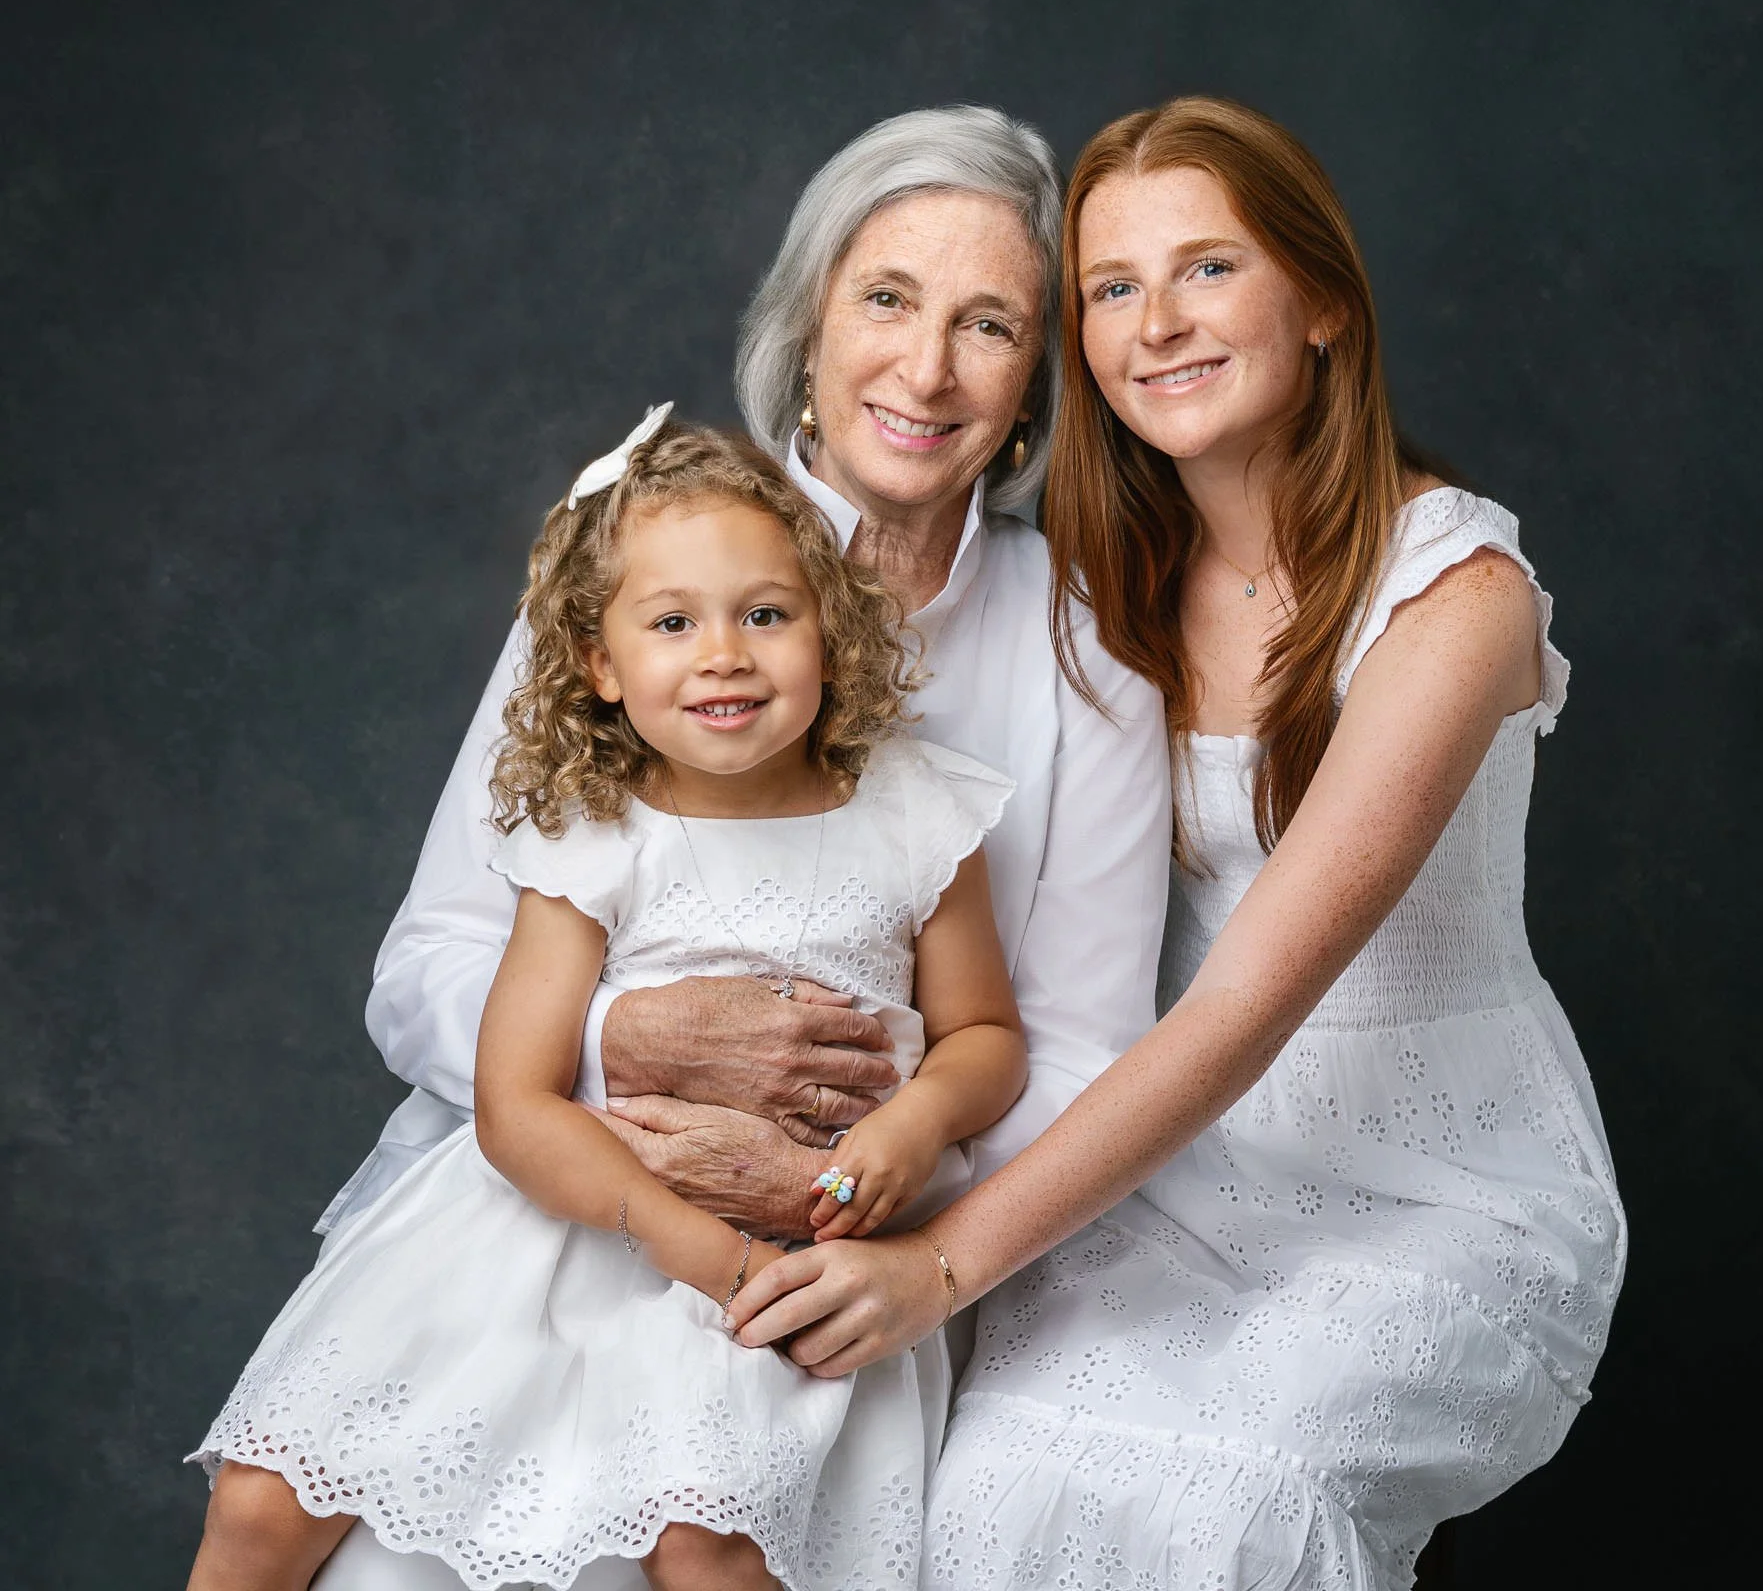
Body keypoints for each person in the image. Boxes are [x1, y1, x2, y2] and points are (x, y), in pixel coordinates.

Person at [730, 97, 1629, 1589]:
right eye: (1111, 289)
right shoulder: (1095, 585)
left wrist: (942, 1262)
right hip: (1166, 1165)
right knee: (982, 1486)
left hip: (1431, 1183)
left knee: (1225, 1502)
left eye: (1208, 269)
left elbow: (1244, 1002)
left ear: (1323, 299)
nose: (1159, 324)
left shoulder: (1457, 594)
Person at [312, 106, 1171, 1586]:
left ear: (1037, 385)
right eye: (887, 300)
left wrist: (862, 1200)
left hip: (852, 1271)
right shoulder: (636, 572)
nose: (926, 368)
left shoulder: (1086, 661)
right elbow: (427, 966)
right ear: (809, 321)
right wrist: (619, 1052)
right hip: (552, 1227)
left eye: (990, 325)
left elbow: (1087, 1059)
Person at [187, 413, 1028, 1591]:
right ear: (599, 662)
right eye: (672, 621)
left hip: (787, 1256)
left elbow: (984, 1035)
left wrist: (912, 1122)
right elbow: (514, 1101)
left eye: (766, 613)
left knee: (710, 1546)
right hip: (564, 1226)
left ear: (830, 635)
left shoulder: (917, 813)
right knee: (265, 1499)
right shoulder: (593, 827)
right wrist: (683, 1239)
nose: (723, 652)